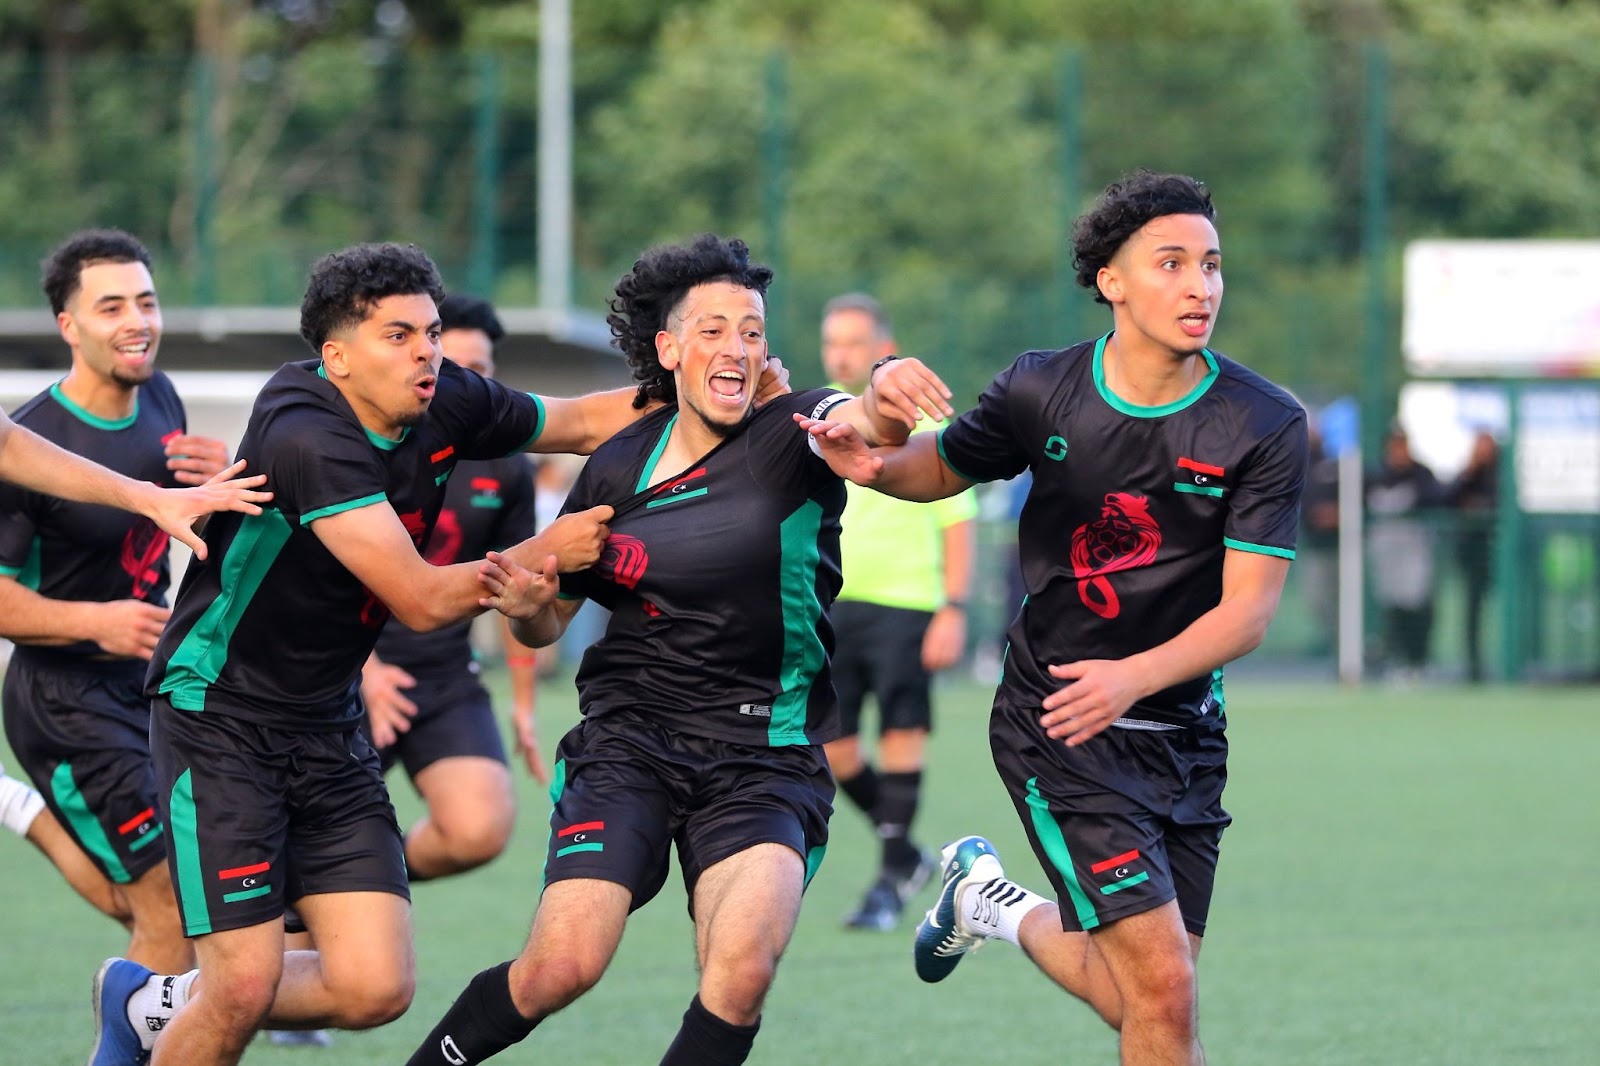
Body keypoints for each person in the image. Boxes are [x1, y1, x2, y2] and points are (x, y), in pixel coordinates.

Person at [87, 241, 706, 1066]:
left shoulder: (442, 395)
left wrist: (711, 384)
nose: (427, 352)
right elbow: (418, 598)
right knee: (240, 989)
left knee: (375, 987)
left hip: (326, 720)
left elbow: (583, 420)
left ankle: (148, 1001)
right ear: (337, 356)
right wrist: (545, 549)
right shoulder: (305, 432)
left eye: (432, 332)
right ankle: (187, 999)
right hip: (221, 718)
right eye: (399, 335)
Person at [402, 234, 954, 1066]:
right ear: (668, 349)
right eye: (713, 330)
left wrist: (886, 384)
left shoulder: (793, 431)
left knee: (741, 974)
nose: (737, 347)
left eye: (752, 331)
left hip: (764, 756)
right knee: (558, 969)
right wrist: (528, 608)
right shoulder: (617, 466)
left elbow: (863, 419)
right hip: (630, 744)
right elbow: (548, 623)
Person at [798, 170, 1308, 1065]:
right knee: (1165, 994)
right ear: (1113, 281)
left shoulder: (1264, 422)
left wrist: (1135, 678)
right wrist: (872, 462)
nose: (1201, 285)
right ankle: (989, 900)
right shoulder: (1041, 389)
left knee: (1147, 999)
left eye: (1212, 264)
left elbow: (1247, 615)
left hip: (1186, 733)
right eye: (1172, 263)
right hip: (1059, 722)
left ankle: (987, 902)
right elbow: (935, 468)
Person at [0, 229, 269, 977]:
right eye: (111, 306)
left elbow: (177, 521)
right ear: (68, 325)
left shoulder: (161, 397)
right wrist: (96, 622)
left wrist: (217, 479)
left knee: (164, 897)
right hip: (64, 705)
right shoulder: (29, 443)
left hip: (150, 689)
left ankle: (22, 813)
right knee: (170, 907)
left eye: (146, 302)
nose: (137, 322)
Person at [362, 292, 547, 881]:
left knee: (479, 829)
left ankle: (361, 883)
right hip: (347, 669)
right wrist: (365, 673)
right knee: (303, 842)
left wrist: (523, 706)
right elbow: (310, 576)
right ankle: (333, 886)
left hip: (443, 671)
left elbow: (516, 587)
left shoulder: (508, 467)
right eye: (453, 366)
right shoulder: (372, 444)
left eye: (481, 370)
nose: (466, 383)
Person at [816, 292, 976, 931]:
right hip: (832, 606)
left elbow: (957, 518)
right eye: (832, 342)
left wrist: (953, 607)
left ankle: (888, 881)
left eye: (853, 342)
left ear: (884, 349)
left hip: (907, 605)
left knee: (901, 735)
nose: (840, 354)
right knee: (833, 747)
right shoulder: (816, 415)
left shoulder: (920, 416)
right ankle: (907, 854)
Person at [1366, 425, 1443, 683]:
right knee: (1393, 608)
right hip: (1385, 552)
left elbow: (1436, 499)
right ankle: (1396, 660)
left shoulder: (1421, 473)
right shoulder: (1376, 475)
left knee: (1417, 605)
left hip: (1414, 550)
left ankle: (1419, 660)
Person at [1448, 429, 1498, 682]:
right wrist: (1470, 471)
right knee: (1473, 610)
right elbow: (1447, 497)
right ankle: (1473, 665)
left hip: (1499, 554)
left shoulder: (1501, 474)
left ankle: (1509, 664)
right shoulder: (1469, 474)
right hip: (1472, 554)